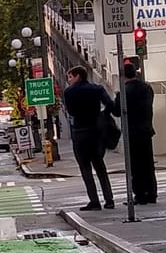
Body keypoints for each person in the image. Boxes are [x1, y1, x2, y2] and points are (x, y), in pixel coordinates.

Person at [61, 65, 117, 210]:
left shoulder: (69, 92)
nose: (69, 80)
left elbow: (71, 111)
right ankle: (109, 199)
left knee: (85, 168)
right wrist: (102, 115)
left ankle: (94, 200)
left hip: (80, 132)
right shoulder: (97, 89)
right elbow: (110, 105)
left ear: (78, 76)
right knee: (100, 165)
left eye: (70, 77)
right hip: (96, 132)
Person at [120, 58, 156, 204]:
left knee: (135, 165)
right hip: (146, 129)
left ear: (123, 76)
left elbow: (118, 110)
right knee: (148, 163)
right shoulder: (147, 88)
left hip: (132, 132)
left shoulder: (125, 91)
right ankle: (152, 193)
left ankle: (140, 194)